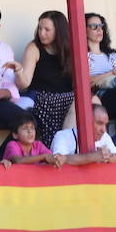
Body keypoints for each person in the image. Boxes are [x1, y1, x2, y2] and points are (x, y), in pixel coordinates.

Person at [7, 10, 75, 147]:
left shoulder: (71, 49)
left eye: (47, 29)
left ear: (59, 31)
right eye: (40, 28)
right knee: (74, 102)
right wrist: (19, 71)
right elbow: (24, 83)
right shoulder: (34, 48)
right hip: (44, 99)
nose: (41, 33)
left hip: (68, 98)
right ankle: (60, 148)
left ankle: (68, 147)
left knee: (87, 101)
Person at [50, 104, 116, 165]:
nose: (104, 130)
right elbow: (58, 159)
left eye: (105, 125)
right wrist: (93, 157)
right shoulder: (62, 136)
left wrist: (106, 156)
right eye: (100, 123)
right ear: (86, 121)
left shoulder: (105, 136)